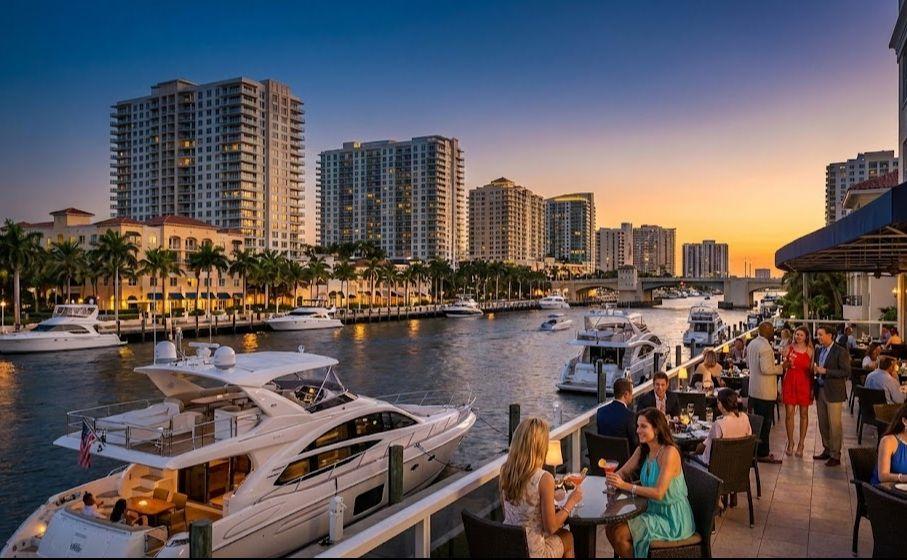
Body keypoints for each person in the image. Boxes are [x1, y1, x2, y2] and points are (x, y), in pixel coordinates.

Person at [604, 408, 696, 558]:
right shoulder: (643, 450)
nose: (638, 430)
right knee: (610, 528)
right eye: (638, 426)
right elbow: (623, 472)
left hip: (672, 519)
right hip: (651, 511)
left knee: (620, 535)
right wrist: (613, 477)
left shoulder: (669, 453)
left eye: (643, 426)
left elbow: (659, 493)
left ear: (657, 429)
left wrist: (624, 485)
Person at [500, 417, 577, 558]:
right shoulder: (544, 478)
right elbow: (551, 528)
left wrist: (549, 498)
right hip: (532, 553)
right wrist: (571, 502)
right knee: (567, 537)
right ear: (541, 446)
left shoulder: (505, 470)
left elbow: (510, 512)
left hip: (509, 546)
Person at [812, 325, 851, 467]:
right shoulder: (818, 350)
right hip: (820, 389)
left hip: (834, 391)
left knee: (835, 425)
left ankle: (835, 454)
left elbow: (846, 372)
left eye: (821, 335)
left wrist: (826, 371)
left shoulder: (840, 351)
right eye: (818, 335)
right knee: (823, 423)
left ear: (830, 336)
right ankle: (827, 448)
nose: (819, 337)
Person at [747, 322, 784, 463]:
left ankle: (755, 450)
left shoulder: (752, 344)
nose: (774, 332)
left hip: (753, 389)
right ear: (767, 331)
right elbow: (766, 369)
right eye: (772, 330)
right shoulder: (766, 347)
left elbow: (749, 364)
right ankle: (763, 453)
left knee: (756, 423)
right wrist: (781, 367)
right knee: (765, 424)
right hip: (765, 392)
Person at [695, 388, 752, 465]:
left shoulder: (719, 424)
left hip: (718, 468)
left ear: (721, 404)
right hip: (740, 464)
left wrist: (694, 450)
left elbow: (706, 448)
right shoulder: (745, 417)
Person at [781, 326, 814, 457]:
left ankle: (801, 443)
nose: (798, 337)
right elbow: (783, 366)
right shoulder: (789, 348)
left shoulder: (810, 351)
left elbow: (812, 371)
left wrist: (812, 388)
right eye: (796, 334)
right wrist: (785, 363)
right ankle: (790, 442)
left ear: (806, 336)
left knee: (804, 414)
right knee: (789, 413)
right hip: (790, 381)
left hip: (804, 383)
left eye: (800, 335)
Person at [596, 378, 638, 450]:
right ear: (626, 394)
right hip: (625, 459)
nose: (632, 396)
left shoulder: (600, 412)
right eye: (631, 393)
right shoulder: (630, 416)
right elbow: (635, 443)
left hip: (604, 457)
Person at [872, 403, 907, 485]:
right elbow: (882, 476)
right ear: (905, 421)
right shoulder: (888, 441)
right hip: (884, 492)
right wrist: (904, 478)